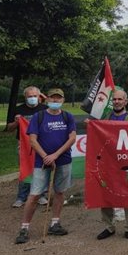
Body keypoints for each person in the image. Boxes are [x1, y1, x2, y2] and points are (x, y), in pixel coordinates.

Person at [15, 88, 77, 244]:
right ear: (47, 99)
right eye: (52, 98)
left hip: (63, 160)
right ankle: (24, 228)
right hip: (41, 162)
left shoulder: (67, 116)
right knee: (34, 194)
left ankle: (55, 223)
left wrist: (55, 155)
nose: (55, 101)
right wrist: (45, 156)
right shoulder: (39, 116)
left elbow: (72, 138)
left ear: (63, 100)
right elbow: (32, 140)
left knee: (60, 192)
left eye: (58, 98)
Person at [97, 89, 128, 240]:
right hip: (109, 162)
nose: (116, 102)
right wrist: (91, 125)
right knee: (106, 193)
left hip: (127, 161)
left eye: (120, 99)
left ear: (125, 101)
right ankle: (108, 226)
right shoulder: (106, 116)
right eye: (114, 99)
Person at [7, 86, 48, 208]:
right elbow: (9, 128)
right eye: (30, 96)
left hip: (41, 144)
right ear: (25, 97)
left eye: (35, 96)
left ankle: (41, 195)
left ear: (39, 97)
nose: (32, 98)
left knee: (41, 168)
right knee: (25, 168)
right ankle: (21, 197)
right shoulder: (18, 110)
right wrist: (16, 122)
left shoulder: (45, 109)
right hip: (24, 145)